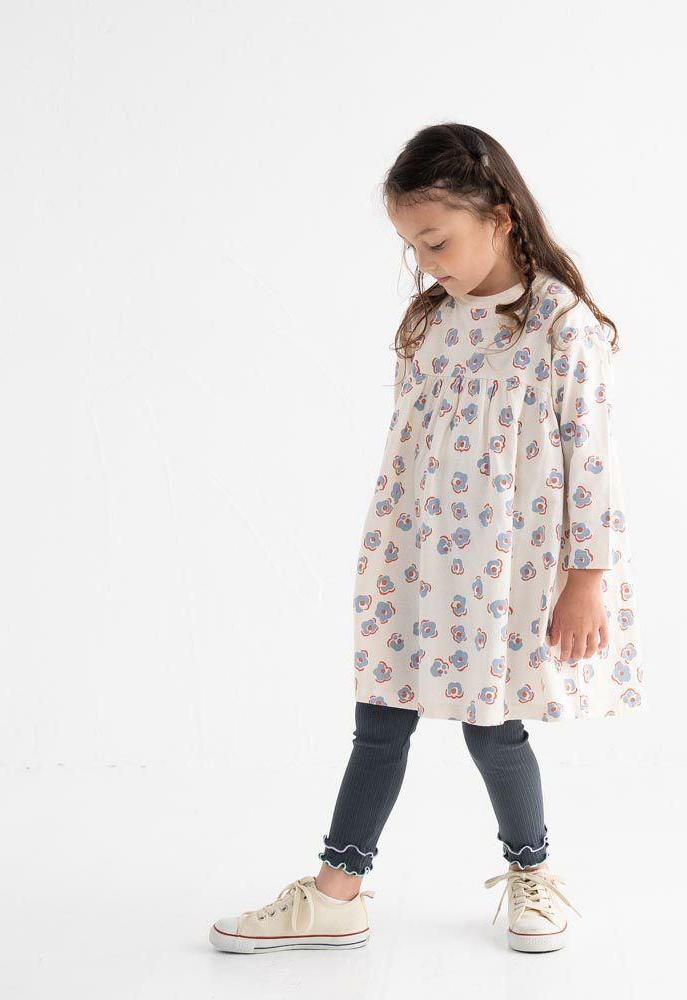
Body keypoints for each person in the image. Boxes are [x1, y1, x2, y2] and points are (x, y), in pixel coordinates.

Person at [209, 122, 645, 957]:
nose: (426, 262)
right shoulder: (433, 324)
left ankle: (531, 873)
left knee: (492, 727)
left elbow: (592, 458)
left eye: (437, 241)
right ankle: (337, 895)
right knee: (380, 719)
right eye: (413, 247)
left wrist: (586, 577)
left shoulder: (560, 325)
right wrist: (390, 553)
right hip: (415, 559)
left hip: (509, 570)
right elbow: (414, 449)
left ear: (500, 216)